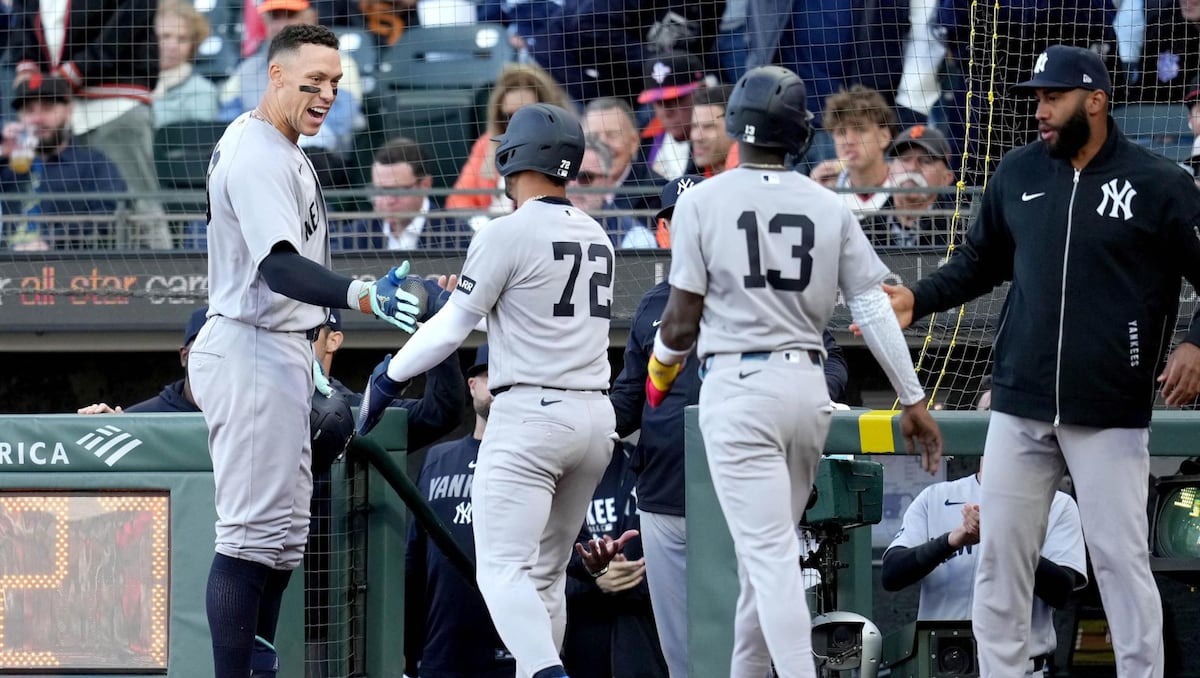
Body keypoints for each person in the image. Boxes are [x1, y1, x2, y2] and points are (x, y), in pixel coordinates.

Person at [877, 45, 1200, 678]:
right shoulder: (1018, 171)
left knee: (1120, 561)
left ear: (1096, 100)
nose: (1041, 111)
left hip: (1108, 407)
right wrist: (919, 298)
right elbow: (979, 262)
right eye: (1037, 98)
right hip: (1019, 402)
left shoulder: (1160, 182)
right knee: (1001, 559)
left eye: (1054, 97)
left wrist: (1195, 342)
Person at [647, 65, 943, 678]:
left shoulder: (701, 200)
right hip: (807, 388)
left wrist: (659, 375)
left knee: (770, 555)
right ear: (800, 133)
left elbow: (678, 321)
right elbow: (872, 306)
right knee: (766, 562)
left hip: (740, 387)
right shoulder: (826, 203)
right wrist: (913, 398)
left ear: (736, 125)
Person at [356, 103, 634, 678]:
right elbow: (524, 313)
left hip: (532, 415)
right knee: (545, 577)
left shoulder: (505, 231)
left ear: (513, 157)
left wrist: (386, 377)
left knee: (501, 570)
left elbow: (451, 332)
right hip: (593, 420)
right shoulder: (596, 233)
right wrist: (455, 300)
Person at [188, 24, 424, 678]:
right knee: (248, 538)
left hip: (282, 349)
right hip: (250, 345)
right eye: (312, 80)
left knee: (283, 540)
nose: (326, 94)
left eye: (335, 84)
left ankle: (258, 665)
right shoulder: (257, 152)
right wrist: (361, 294)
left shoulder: (285, 145)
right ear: (275, 75)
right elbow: (279, 268)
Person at [608, 173, 851, 678]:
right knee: (680, 651)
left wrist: (813, 394)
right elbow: (630, 395)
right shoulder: (652, 305)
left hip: (744, 491)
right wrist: (585, 418)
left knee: (755, 636)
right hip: (664, 495)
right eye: (680, 219)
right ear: (664, 231)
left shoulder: (768, 289)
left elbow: (830, 361)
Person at [881, 458, 1087, 677]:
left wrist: (1005, 538)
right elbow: (892, 574)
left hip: (1018, 669)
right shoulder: (935, 497)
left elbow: (1062, 591)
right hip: (941, 665)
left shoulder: (1057, 504)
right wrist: (951, 541)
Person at [10, 0, 170, 249]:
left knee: (138, 209)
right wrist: (26, 64)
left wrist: (78, 69)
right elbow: (23, 14)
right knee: (66, 213)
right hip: (57, 104)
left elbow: (133, 14)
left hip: (115, 101)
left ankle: (164, 273)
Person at [405, 343, 517, 678]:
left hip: (510, 646)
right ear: (472, 385)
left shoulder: (533, 461)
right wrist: (407, 648)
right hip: (441, 646)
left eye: (508, 379)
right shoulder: (438, 458)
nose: (498, 386)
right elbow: (414, 558)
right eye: (490, 376)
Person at [562, 441, 668, 678]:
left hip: (643, 646)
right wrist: (595, 579)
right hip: (579, 645)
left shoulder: (644, 464)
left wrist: (626, 579)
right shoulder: (557, 472)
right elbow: (539, 572)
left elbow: (678, 567)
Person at [0, 74, 127, 251]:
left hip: (66, 263)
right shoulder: (7, 164)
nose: (37, 119)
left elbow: (107, 214)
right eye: (29, 111)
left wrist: (51, 240)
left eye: (47, 108)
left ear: (68, 111)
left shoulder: (93, 164)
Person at [446, 63, 571, 215]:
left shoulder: (569, 147)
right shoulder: (486, 144)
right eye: (508, 116)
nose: (515, 124)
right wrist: (481, 223)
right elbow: (458, 201)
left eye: (525, 115)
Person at [332, 137, 473, 251]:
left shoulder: (459, 236)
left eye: (397, 191)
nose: (388, 200)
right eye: (379, 191)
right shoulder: (351, 237)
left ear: (424, 185)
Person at [821, 84, 898, 222]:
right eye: (841, 132)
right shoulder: (825, 192)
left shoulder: (905, 188)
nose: (849, 141)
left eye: (860, 130)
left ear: (884, 137)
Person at [568, 135, 656, 248]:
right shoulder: (546, 224)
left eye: (585, 177)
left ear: (608, 182)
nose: (573, 185)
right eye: (567, 177)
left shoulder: (635, 237)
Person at [580, 97, 664, 216]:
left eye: (612, 135)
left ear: (634, 142)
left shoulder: (656, 192)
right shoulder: (569, 185)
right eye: (593, 137)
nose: (602, 144)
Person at [638, 53, 706, 180]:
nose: (667, 112)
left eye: (676, 100)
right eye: (659, 102)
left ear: (702, 91)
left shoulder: (721, 137)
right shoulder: (644, 137)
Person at [153, 0, 220, 128]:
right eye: (165, 36)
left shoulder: (202, 91)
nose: (172, 46)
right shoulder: (126, 82)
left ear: (192, 45)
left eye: (182, 39)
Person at [685, 84, 734, 177]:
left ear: (735, 129)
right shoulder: (690, 181)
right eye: (694, 126)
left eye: (708, 126)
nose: (696, 137)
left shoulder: (758, 176)